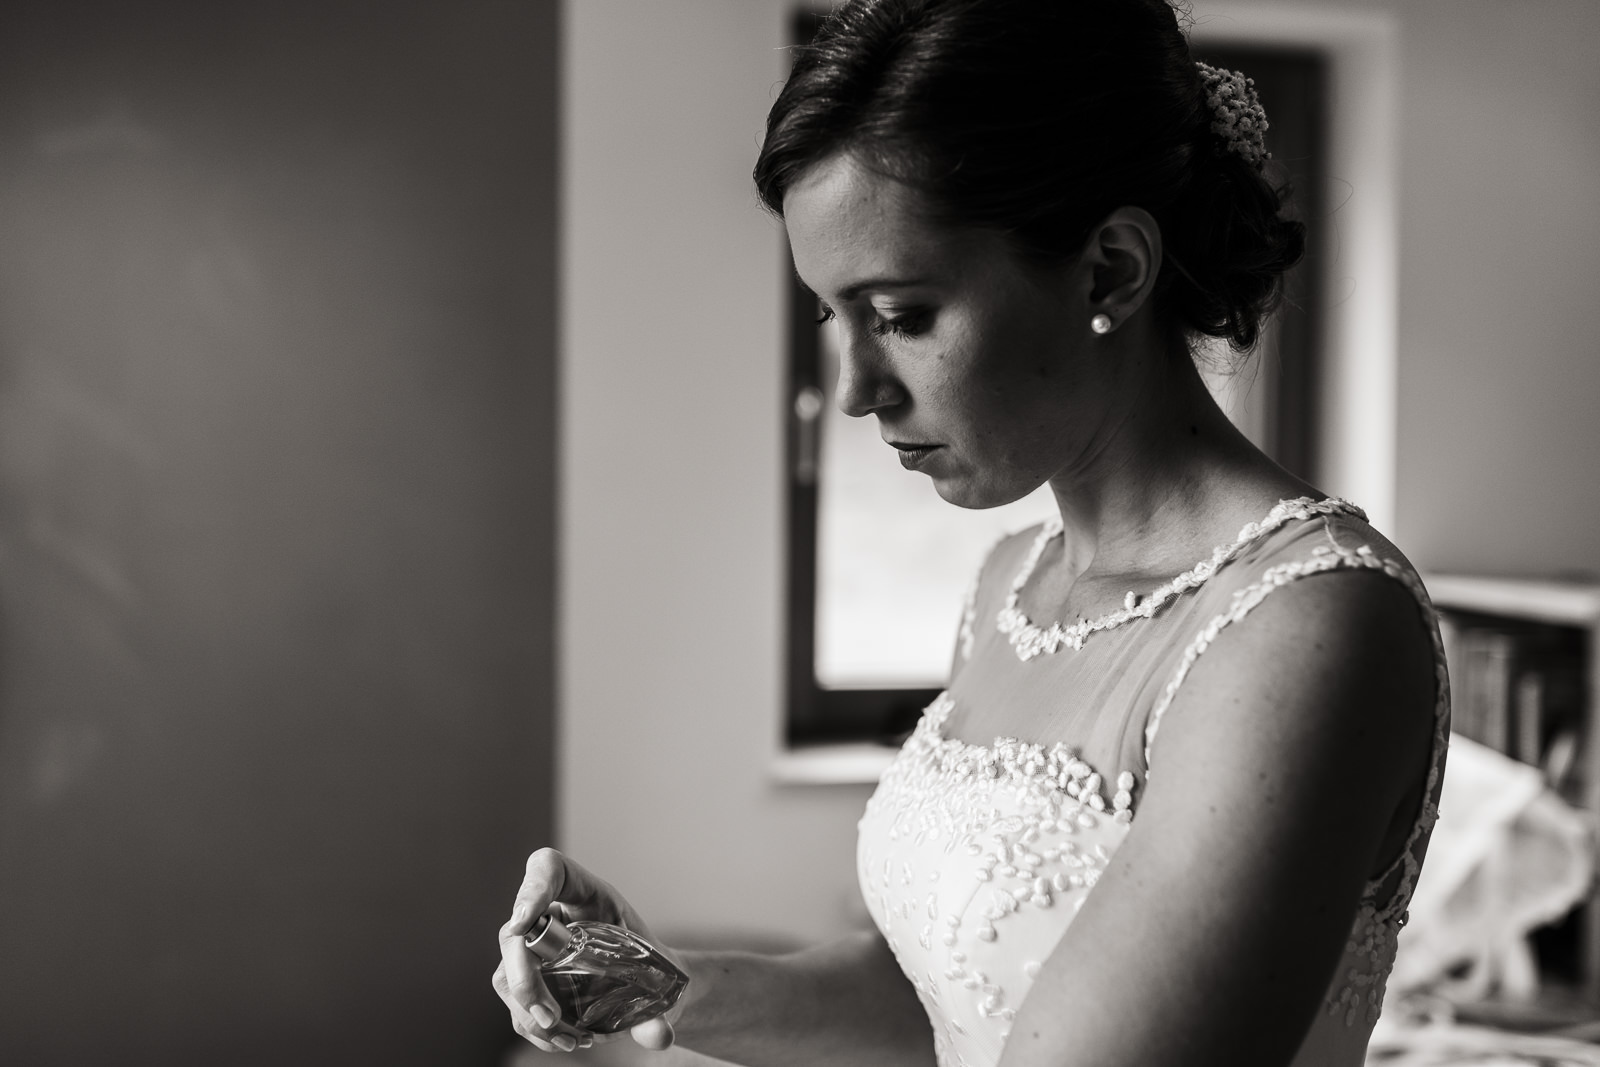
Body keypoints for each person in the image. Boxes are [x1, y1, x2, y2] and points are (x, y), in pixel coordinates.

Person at [494, 1, 1449, 1064]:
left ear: (1110, 271)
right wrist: (652, 980)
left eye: (900, 314)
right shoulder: (1010, 581)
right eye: (830, 315)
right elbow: (936, 996)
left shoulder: (1306, 624)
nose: (854, 390)